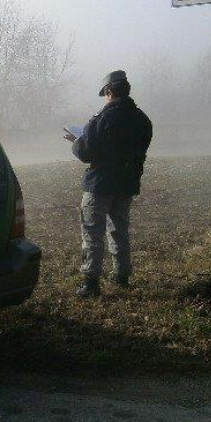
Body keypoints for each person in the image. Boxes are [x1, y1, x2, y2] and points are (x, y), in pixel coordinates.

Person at [63, 70, 152, 298]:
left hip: (100, 185)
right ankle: (121, 276)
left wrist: (76, 142)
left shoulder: (102, 118)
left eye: (105, 94)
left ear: (110, 92)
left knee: (92, 233)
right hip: (126, 184)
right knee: (119, 230)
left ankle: (90, 283)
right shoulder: (142, 120)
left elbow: (85, 152)